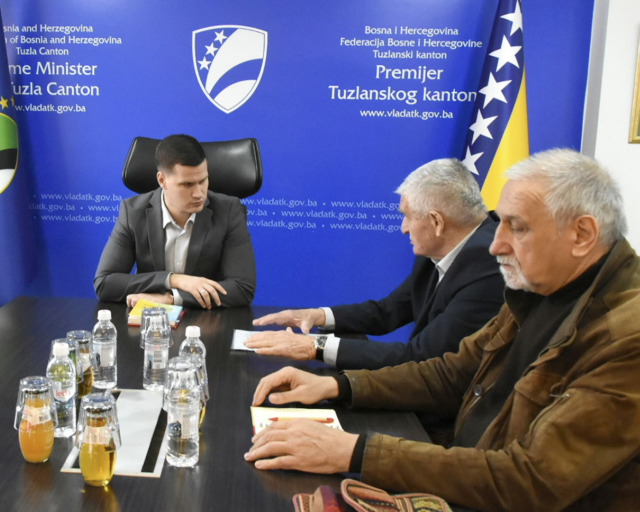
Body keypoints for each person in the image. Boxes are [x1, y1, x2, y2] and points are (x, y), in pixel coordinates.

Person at [245, 149, 640, 511]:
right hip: (466, 470)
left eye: (517, 228)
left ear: (582, 235)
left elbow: (531, 479)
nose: (495, 245)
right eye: (500, 223)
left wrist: (355, 451)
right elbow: (450, 373)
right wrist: (338, 386)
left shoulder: (628, 338)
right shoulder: (538, 287)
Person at [246, 158, 504, 370]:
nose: (403, 228)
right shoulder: (439, 247)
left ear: (436, 222)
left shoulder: (487, 264)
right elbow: (389, 311)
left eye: (407, 217)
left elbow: (423, 355)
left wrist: (315, 346)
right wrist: (316, 316)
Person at [94, 134, 256, 309]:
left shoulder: (228, 210)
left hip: (206, 317)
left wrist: (173, 298)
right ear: (162, 180)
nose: (199, 194)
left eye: (203, 181)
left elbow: (242, 288)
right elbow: (105, 283)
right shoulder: (133, 212)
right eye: (187, 184)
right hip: (150, 320)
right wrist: (173, 279)